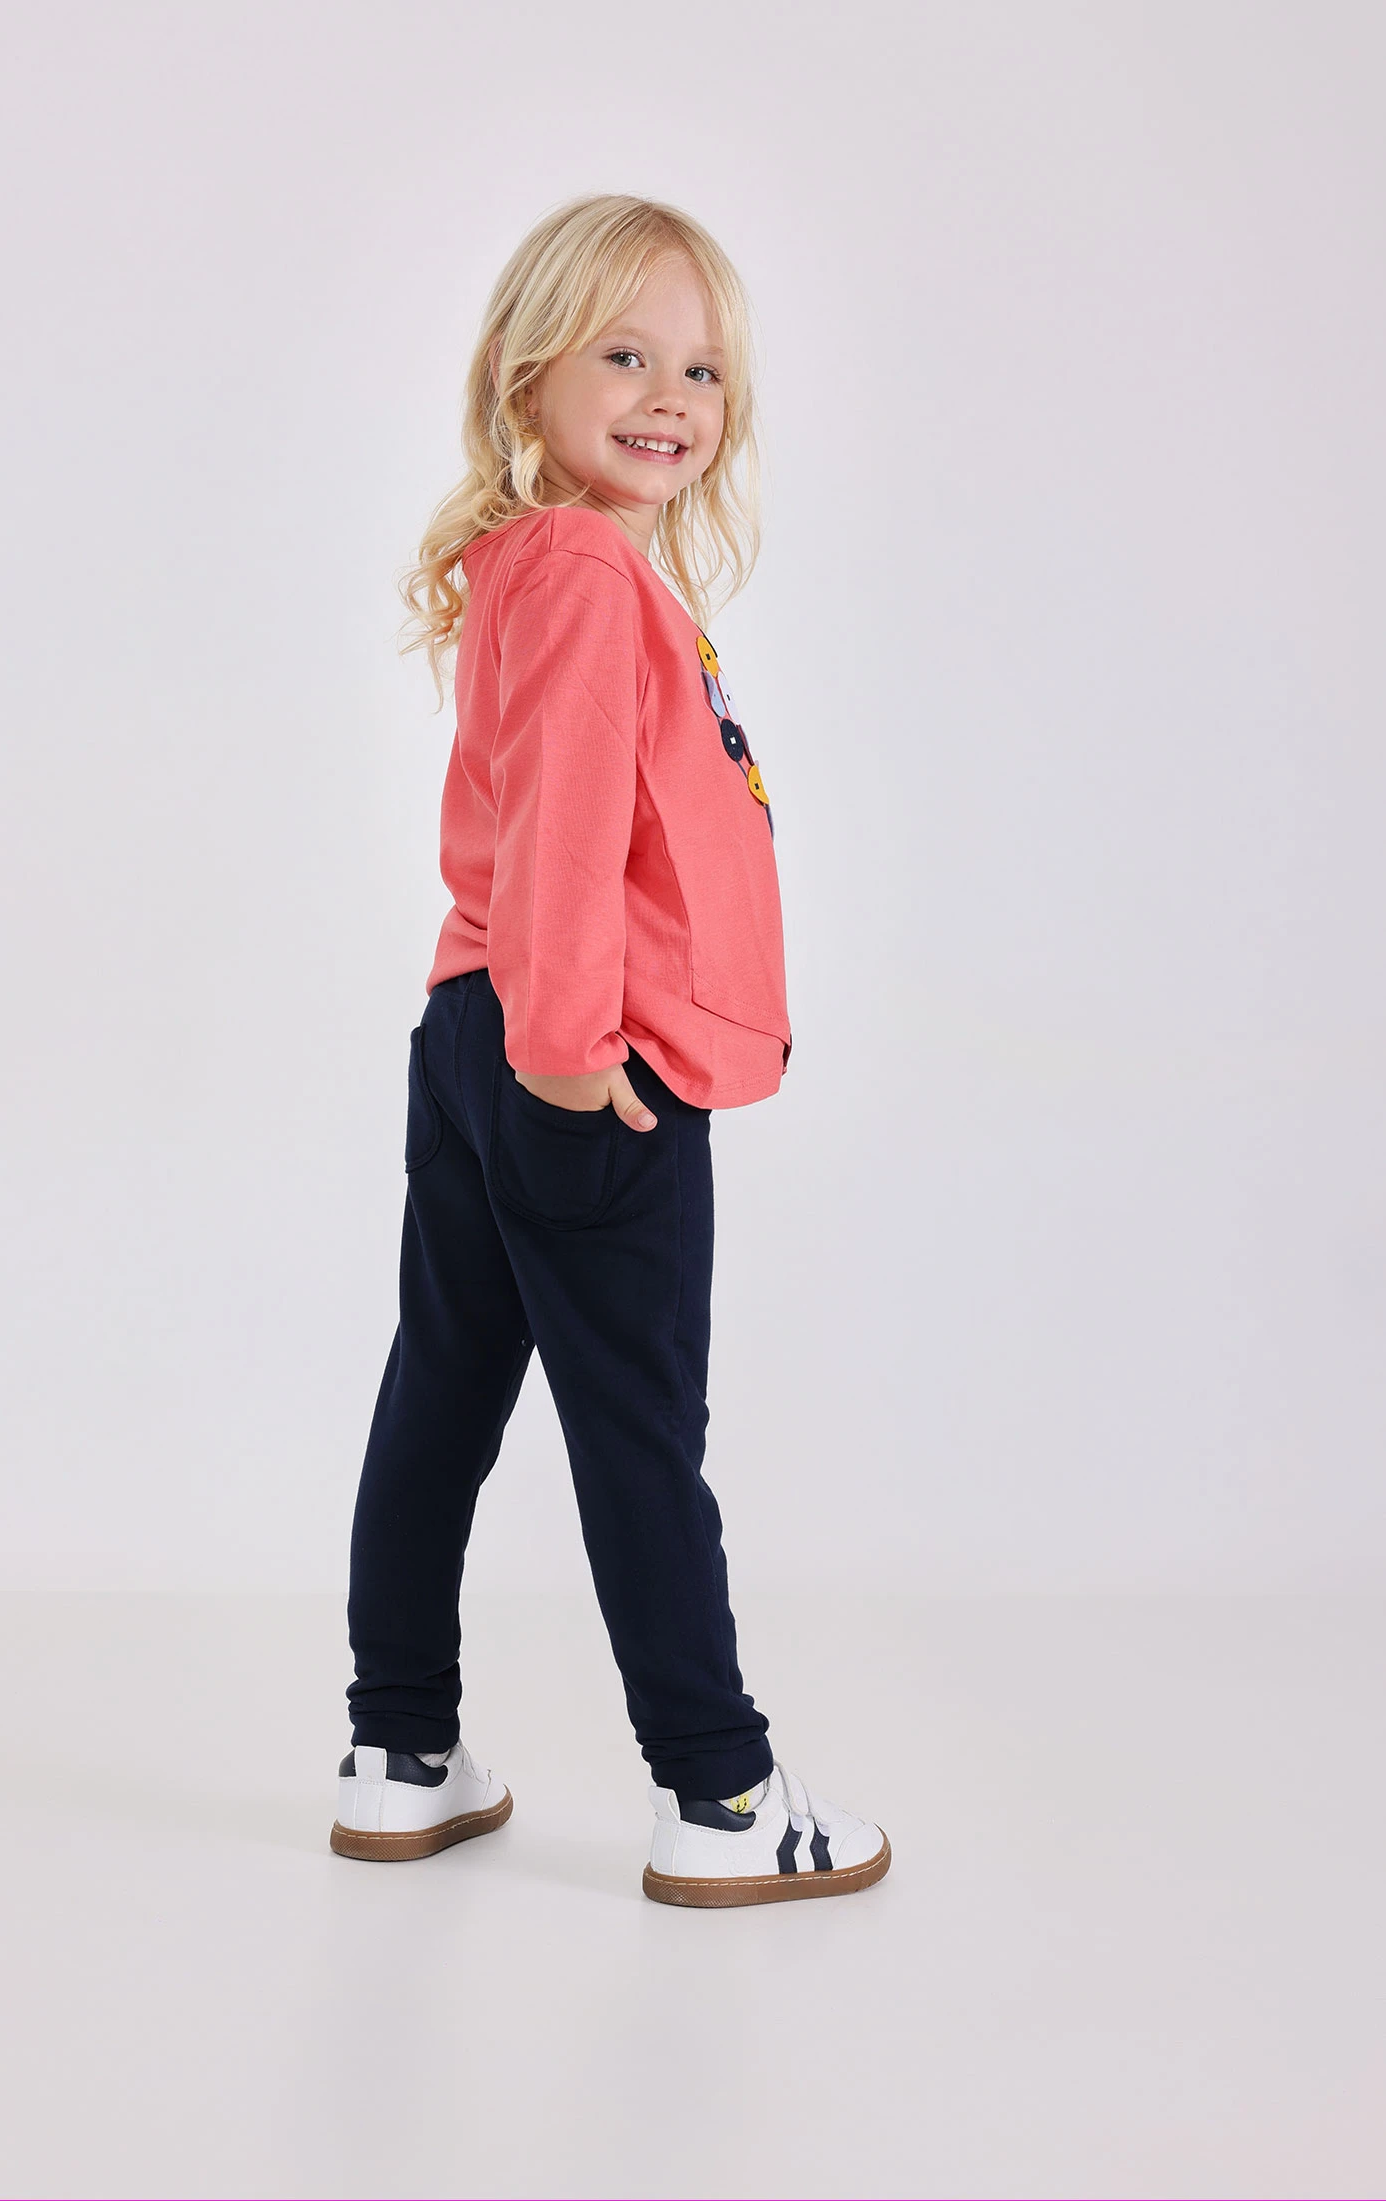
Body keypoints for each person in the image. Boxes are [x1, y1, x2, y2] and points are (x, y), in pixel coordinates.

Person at [330, 194, 889, 1907]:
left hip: (476, 1026)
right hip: (578, 1055)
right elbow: (568, 829)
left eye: (701, 369)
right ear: (528, 379)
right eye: (624, 356)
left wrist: (525, 1038)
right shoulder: (581, 569)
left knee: (442, 1391)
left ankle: (399, 1756)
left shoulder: (539, 561)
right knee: (640, 1429)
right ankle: (721, 1792)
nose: (669, 398)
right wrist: (570, 1055)